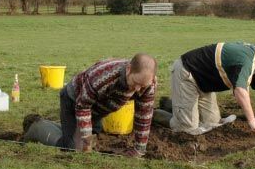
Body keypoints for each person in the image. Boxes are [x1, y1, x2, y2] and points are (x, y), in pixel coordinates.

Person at [23, 53, 157, 157]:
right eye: (135, 82)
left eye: (143, 85)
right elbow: (83, 107)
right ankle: (37, 127)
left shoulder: (148, 84)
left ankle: (67, 129)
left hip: (98, 109)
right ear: (128, 69)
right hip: (74, 100)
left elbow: (143, 116)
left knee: (88, 140)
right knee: (71, 148)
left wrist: (139, 150)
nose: (138, 89)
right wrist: (86, 140)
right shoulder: (103, 77)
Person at [154, 42, 255, 135]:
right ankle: (154, 114)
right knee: (186, 128)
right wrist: (252, 120)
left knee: (212, 123)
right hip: (188, 74)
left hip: (204, 83)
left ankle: (173, 104)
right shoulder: (247, 60)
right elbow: (240, 91)